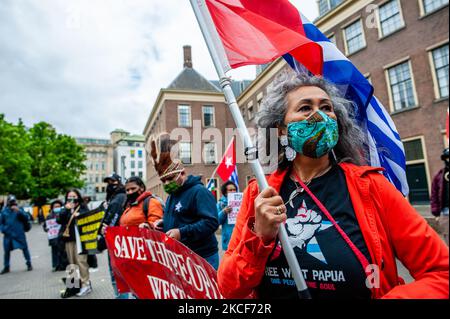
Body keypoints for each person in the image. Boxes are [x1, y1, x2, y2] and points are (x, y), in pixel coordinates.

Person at [217, 71, 449, 299]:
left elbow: (441, 274)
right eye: (305, 108)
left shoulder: (372, 187)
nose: (320, 116)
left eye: (327, 108)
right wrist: (260, 238)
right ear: (281, 130)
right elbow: (229, 288)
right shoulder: (259, 194)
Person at [150, 133, 220, 269]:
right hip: (182, 257)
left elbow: (211, 223)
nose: (166, 184)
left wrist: (182, 233)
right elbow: (183, 218)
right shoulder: (172, 195)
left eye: (170, 178)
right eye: (163, 181)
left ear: (182, 173)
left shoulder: (199, 192)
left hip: (202, 257)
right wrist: (163, 224)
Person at [57, 189, 92, 297]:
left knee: (81, 261)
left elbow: (88, 217)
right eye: (69, 196)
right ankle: (74, 286)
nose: (72, 198)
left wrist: (79, 214)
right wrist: (65, 210)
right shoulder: (65, 207)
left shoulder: (82, 206)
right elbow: (59, 220)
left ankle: (86, 284)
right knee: (71, 263)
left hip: (80, 239)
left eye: (74, 196)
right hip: (69, 239)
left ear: (78, 196)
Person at [100, 172, 127, 298]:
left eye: (113, 182)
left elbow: (113, 219)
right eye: (108, 182)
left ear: (119, 182)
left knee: (118, 275)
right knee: (117, 275)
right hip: (115, 240)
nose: (110, 185)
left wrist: (107, 230)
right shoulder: (114, 197)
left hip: (117, 241)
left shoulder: (119, 197)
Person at [0, 195, 33, 274]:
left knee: (24, 248)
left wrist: (19, 211)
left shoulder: (19, 210)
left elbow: (27, 218)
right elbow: (1, 223)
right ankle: (6, 266)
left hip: (19, 233)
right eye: (10, 201)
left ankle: (29, 263)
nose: (12, 203)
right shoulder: (4, 211)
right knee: (6, 251)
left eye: (13, 201)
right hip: (8, 234)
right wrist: (4, 230)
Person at [431, 148, 449, 246]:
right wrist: (436, 214)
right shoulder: (438, 176)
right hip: (446, 213)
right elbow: (434, 195)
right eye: (448, 158)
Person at [43, 200, 64, 271]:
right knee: (54, 252)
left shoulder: (63, 214)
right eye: (55, 206)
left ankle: (62, 265)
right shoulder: (49, 216)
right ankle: (55, 265)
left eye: (58, 206)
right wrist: (46, 229)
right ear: (52, 208)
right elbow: (45, 226)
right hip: (53, 238)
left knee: (63, 251)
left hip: (62, 237)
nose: (57, 208)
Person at [217, 181, 238, 252]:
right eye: (230, 190)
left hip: (240, 237)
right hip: (229, 239)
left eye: (234, 189)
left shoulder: (241, 201)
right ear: (225, 192)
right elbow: (217, 221)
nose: (233, 191)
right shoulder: (220, 204)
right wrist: (224, 212)